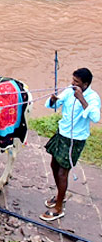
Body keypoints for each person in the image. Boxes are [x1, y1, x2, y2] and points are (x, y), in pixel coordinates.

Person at [42, 68, 100, 222]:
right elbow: (54, 105)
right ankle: (60, 194)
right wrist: (54, 100)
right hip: (62, 133)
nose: (73, 84)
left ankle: (59, 207)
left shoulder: (93, 98)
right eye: (73, 80)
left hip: (75, 139)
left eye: (77, 82)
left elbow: (95, 117)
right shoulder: (69, 90)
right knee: (54, 165)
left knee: (63, 172)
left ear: (85, 84)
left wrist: (81, 99)